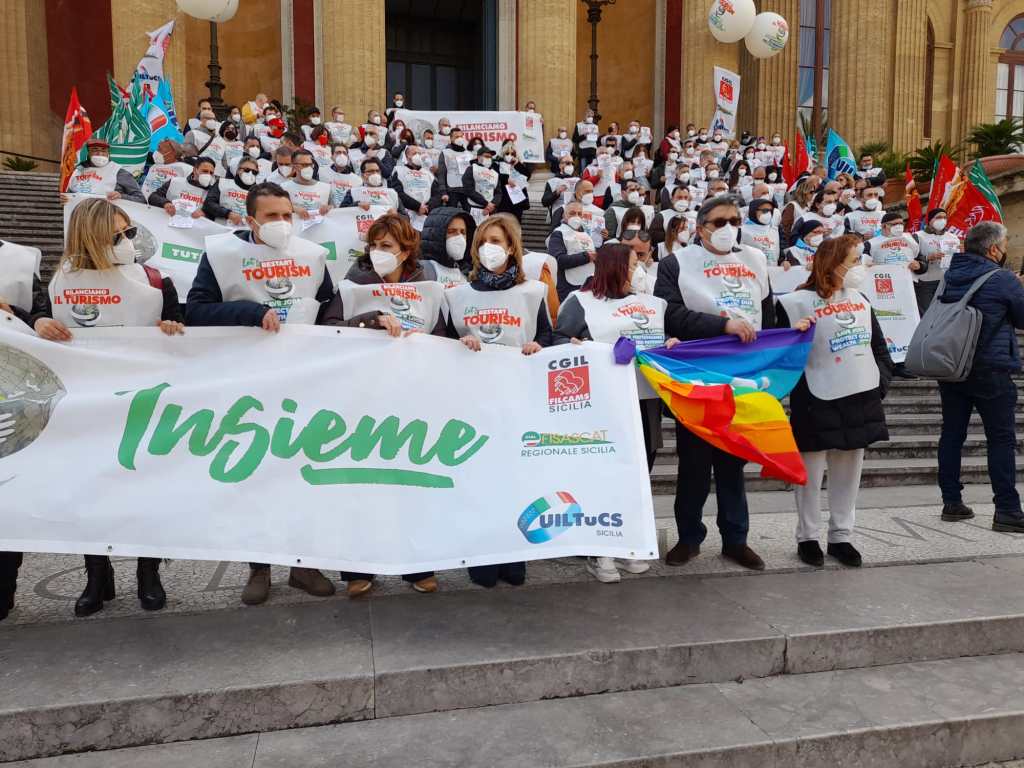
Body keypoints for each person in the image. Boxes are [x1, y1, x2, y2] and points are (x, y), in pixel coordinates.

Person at [185, 182, 338, 605]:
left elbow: (331, 308)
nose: (282, 224)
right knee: (254, 473)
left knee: (303, 472)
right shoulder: (221, 254)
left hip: (302, 381)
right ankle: (259, 567)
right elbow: (194, 309)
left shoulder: (311, 255)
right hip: (247, 384)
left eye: (287, 215)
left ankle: (303, 564)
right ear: (251, 219)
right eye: (272, 216)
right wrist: (251, 313)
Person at [39, 198, 185, 615]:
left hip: (142, 401)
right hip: (85, 404)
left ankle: (148, 573)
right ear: (89, 238)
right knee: (91, 490)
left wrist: (172, 326)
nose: (125, 242)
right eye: (114, 236)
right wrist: (39, 322)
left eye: (129, 233)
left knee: (144, 488)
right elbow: (34, 316)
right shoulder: (58, 283)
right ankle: (97, 576)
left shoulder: (156, 280)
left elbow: (179, 324)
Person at [654, 195, 790, 571]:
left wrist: (782, 344)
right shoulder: (675, 263)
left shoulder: (756, 260)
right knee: (694, 465)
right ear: (700, 229)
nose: (729, 226)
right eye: (719, 221)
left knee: (734, 462)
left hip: (743, 376)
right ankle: (688, 538)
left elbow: (767, 316)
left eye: (734, 219)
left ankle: (736, 539)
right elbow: (670, 315)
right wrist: (722, 325)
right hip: (697, 377)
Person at [319, 214, 445, 597]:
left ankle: (416, 566)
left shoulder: (429, 288)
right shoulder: (352, 285)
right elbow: (328, 329)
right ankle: (358, 568)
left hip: (412, 396)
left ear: (406, 251)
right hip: (362, 398)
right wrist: (371, 319)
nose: (378, 253)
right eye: (374, 246)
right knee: (360, 483)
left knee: (412, 483)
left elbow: (441, 334)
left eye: (387, 246)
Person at [446, 214, 552, 588]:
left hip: (518, 401)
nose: (491, 247)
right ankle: (482, 558)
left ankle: (514, 555)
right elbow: (441, 345)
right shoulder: (458, 295)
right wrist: (460, 343)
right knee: (479, 481)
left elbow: (548, 338)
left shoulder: (532, 292)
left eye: (498, 240)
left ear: (511, 248)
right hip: (474, 403)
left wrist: (539, 345)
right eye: (484, 240)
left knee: (515, 481)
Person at [553, 243, 668, 582]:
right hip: (601, 407)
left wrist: (671, 344)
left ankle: (627, 544)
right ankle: (599, 550)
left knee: (638, 474)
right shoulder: (580, 302)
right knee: (603, 475)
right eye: (635, 263)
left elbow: (664, 337)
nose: (640, 270)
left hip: (645, 401)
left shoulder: (651, 304)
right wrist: (581, 348)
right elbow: (556, 340)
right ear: (616, 267)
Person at [777, 235, 893, 568]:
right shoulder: (795, 302)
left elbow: (880, 348)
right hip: (816, 398)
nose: (861, 267)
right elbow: (780, 350)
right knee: (810, 474)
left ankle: (841, 536)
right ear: (834, 262)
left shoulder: (860, 298)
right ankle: (808, 536)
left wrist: (879, 384)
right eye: (856, 260)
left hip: (860, 396)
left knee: (848, 471)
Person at [936, 222, 1024, 532]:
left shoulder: (950, 276)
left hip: (951, 366)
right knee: (1000, 439)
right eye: (1004, 245)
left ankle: (952, 502)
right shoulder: (1001, 278)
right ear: (993, 250)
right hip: (991, 368)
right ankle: (1007, 509)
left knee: (952, 434)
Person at [149, 156, 230, 222]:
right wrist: (166, 203)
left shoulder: (213, 192)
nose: (208, 175)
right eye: (204, 171)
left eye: (211, 173)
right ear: (195, 170)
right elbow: (153, 197)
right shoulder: (175, 182)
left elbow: (216, 215)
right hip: (167, 223)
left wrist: (205, 214)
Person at [64, 138, 145, 203]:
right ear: (88, 153)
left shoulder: (119, 172)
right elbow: (69, 194)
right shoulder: (78, 170)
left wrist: (121, 196)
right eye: (95, 150)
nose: (99, 153)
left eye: (103, 150)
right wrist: (64, 198)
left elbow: (141, 199)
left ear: (108, 153)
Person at [547, 199, 597, 300]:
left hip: (587, 284)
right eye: (572, 213)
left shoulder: (585, 233)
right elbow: (557, 260)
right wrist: (587, 257)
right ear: (564, 216)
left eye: (579, 214)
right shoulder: (558, 233)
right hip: (568, 286)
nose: (576, 217)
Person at [913, 208, 961, 313]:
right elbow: (912, 258)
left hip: (945, 281)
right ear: (929, 220)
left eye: (944, 217)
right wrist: (928, 258)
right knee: (927, 313)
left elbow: (957, 260)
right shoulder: (918, 236)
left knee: (943, 312)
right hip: (924, 282)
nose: (942, 220)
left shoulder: (953, 237)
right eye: (938, 217)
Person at [419, 206, 476, 285]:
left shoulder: (468, 271)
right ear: (436, 234)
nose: (459, 237)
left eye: (463, 232)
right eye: (452, 231)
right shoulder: (421, 271)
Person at [392, 144, 442, 230]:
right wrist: (417, 206)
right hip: (408, 214)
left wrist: (427, 208)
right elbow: (398, 193)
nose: (418, 156)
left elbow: (437, 195)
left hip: (426, 214)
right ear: (407, 156)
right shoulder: (399, 171)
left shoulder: (428, 173)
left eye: (419, 153)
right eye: (414, 153)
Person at [281, 148, 333, 220]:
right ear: (294, 166)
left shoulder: (326, 188)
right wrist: (292, 208)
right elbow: (277, 210)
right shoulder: (284, 188)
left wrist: (329, 208)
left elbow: (337, 211)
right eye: (304, 165)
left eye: (310, 165)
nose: (308, 168)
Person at [208, 154, 259, 226]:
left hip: (244, 233)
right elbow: (208, 204)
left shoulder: (259, 193)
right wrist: (227, 213)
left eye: (254, 172)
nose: (250, 173)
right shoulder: (222, 183)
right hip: (221, 230)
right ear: (238, 170)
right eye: (247, 170)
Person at [463, 146, 503, 225]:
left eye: (490, 157)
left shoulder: (495, 173)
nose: (489, 159)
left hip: (491, 209)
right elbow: (468, 189)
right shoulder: (471, 169)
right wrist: (486, 203)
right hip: (474, 207)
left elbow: (499, 192)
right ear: (478, 157)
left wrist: (493, 204)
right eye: (486, 156)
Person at [437, 127, 472, 210]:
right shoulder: (445, 153)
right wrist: (443, 192)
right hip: (452, 189)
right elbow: (441, 174)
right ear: (451, 138)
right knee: (451, 215)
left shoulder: (469, 154)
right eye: (456, 137)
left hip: (466, 190)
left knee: (469, 215)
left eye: (461, 136)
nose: (459, 139)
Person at [740, 198, 781, 264]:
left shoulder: (774, 230)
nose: (768, 214)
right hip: (752, 271)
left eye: (771, 211)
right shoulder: (741, 231)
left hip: (772, 271)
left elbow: (779, 253)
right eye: (765, 211)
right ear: (753, 211)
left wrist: (783, 262)